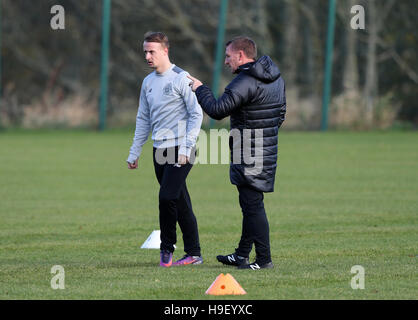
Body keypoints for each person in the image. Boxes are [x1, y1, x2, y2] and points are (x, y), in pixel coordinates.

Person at [188, 36, 286, 270]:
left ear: (241, 55)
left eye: (228, 56)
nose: (225, 61)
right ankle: (241, 255)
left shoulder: (244, 81)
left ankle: (263, 260)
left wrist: (200, 89)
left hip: (249, 152)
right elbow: (281, 113)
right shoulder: (276, 77)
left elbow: (217, 110)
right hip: (266, 148)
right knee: (250, 203)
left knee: (253, 206)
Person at [127, 32, 203, 267]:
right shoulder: (148, 82)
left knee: (166, 197)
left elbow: (196, 114)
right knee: (180, 202)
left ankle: (166, 250)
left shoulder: (181, 78)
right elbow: (143, 119)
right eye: (145, 52)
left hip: (182, 148)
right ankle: (194, 254)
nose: (148, 56)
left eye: (152, 52)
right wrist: (134, 151)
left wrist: (187, 147)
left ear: (165, 51)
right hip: (159, 150)